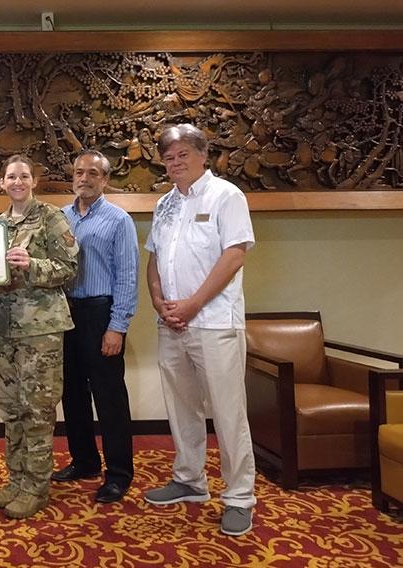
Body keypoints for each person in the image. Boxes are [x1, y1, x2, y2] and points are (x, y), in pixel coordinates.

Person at [144, 123, 257, 536]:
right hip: (171, 324)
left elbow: (234, 257)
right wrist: (159, 302)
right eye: (168, 158)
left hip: (213, 322)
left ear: (203, 156)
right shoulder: (165, 204)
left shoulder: (227, 196)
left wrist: (192, 304)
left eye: (182, 156)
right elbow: (154, 258)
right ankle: (190, 480)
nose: (175, 163)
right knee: (181, 407)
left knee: (228, 412)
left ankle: (240, 497)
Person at [0, 155, 78, 518]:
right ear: (2, 183)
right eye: (11, 177)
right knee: (11, 410)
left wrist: (32, 264)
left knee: (37, 410)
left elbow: (69, 268)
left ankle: (36, 487)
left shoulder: (52, 217)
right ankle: (16, 479)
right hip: (6, 330)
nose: (18, 182)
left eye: (24, 176)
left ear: (33, 181)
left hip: (41, 330)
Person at [53, 150, 139, 505]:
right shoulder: (59, 218)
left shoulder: (119, 220)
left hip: (100, 313)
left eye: (93, 173)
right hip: (65, 313)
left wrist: (116, 327)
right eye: (78, 172)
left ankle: (118, 473)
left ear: (104, 180)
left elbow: (128, 277)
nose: (84, 178)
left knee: (108, 397)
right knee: (71, 394)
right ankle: (84, 461)